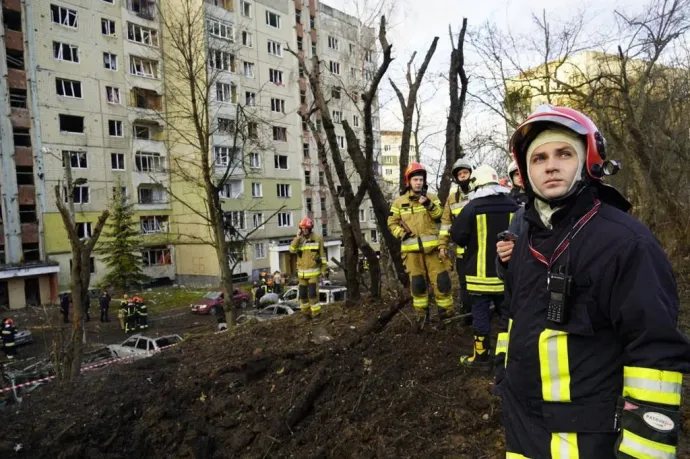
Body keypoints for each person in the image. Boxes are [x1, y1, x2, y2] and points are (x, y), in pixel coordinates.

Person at [493, 104, 690, 458]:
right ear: (525, 172)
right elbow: (512, 317)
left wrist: (643, 451)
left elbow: (655, 353)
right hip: (523, 436)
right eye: (538, 159)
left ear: (589, 161)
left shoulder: (625, 243)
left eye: (564, 153)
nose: (551, 165)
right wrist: (503, 379)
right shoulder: (527, 243)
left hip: (588, 442)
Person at [450, 164, 518, 368]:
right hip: (506, 276)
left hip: (479, 278)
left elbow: (457, 236)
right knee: (508, 317)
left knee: (480, 316)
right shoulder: (513, 205)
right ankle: (507, 357)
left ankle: (481, 357)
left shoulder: (472, 207)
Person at [387, 162, 453, 329]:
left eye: (421, 180)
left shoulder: (432, 198)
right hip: (411, 254)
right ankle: (422, 318)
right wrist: (401, 234)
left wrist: (427, 204)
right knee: (418, 286)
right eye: (415, 179)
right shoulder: (399, 202)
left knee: (442, 283)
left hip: (434, 251)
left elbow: (440, 216)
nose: (418, 182)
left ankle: (447, 317)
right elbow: (391, 223)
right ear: (408, 181)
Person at [439, 158, 474, 322]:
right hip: (462, 253)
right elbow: (446, 224)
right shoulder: (452, 199)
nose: (463, 176)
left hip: (481, 250)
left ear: (470, 174)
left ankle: (486, 312)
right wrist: (442, 246)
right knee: (464, 284)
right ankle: (467, 313)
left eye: (465, 172)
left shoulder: (480, 193)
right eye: (459, 174)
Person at [289, 217, 328, 320]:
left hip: (313, 273)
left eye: (306, 228)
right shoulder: (299, 239)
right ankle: (306, 314)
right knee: (302, 295)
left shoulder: (317, 238)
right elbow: (292, 250)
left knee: (312, 295)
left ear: (310, 228)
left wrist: (324, 270)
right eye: (302, 228)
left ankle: (316, 314)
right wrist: (297, 238)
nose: (304, 230)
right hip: (301, 274)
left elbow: (323, 256)